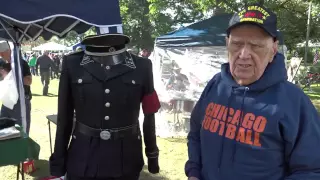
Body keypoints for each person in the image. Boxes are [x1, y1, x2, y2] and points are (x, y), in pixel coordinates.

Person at [185, 4, 320, 180]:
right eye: (237, 44)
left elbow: (312, 171)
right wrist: (194, 172)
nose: (244, 54)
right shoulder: (215, 85)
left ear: (273, 49)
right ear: (227, 44)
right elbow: (195, 131)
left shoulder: (294, 102)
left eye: (255, 45)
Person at [49, 34, 160, 180]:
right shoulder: (73, 64)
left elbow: (149, 113)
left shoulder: (142, 66)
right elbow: (64, 116)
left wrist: (152, 155)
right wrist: (59, 160)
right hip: (83, 155)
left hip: (126, 156)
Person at [0, 41, 33, 135]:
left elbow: (29, 81)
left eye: (3, 53)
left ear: (9, 51)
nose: (1, 55)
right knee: (3, 130)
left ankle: (22, 148)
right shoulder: (2, 64)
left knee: (20, 131)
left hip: (21, 102)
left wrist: (14, 76)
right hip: (7, 102)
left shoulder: (21, 63)